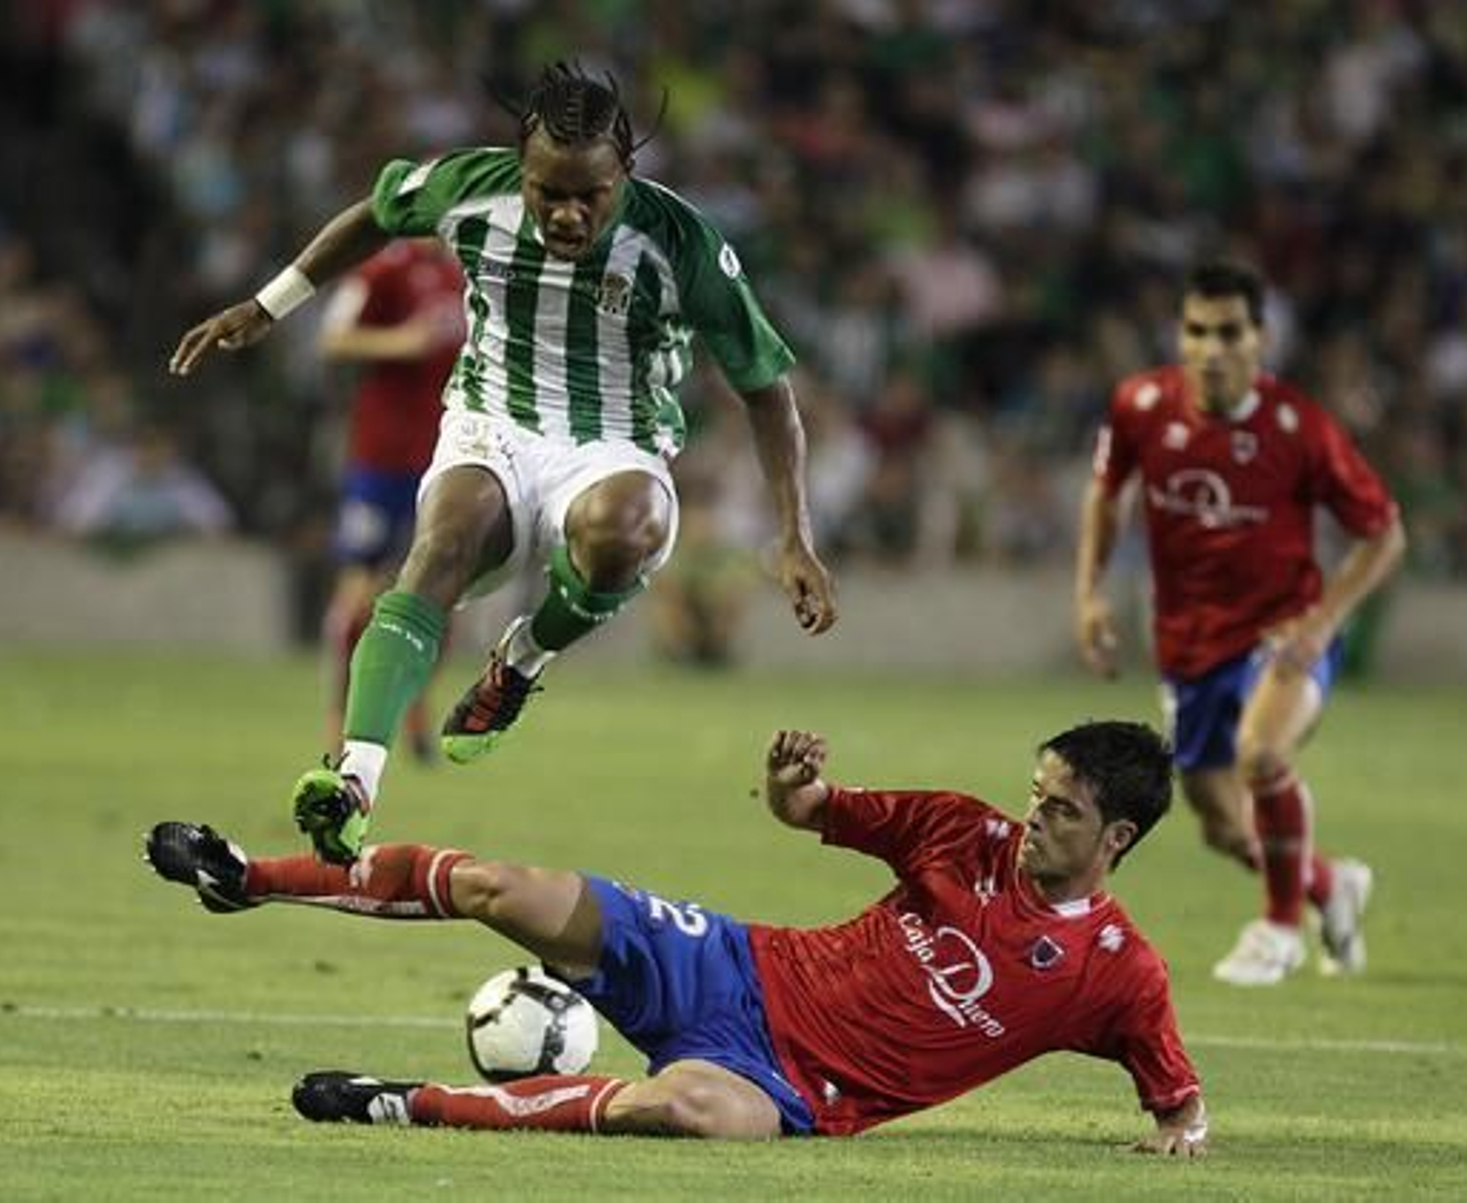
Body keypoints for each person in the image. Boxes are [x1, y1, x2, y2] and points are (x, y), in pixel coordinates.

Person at [168, 63, 837, 866]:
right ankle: (354, 783)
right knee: (442, 542)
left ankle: (519, 662)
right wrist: (268, 304)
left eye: (589, 194)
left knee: (623, 531)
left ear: (624, 170)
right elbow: (373, 215)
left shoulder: (679, 241)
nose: (566, 211)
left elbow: (768, 394)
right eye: (546, 190)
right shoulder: (466, 185)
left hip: (616, 441)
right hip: (494, 419)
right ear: (519, 167)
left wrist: (795, 535)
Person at [144, 720, 1207, 1153]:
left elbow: (1177, 1100)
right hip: (734, 960)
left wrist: (1177, 1135)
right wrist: (795, 788)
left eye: (1059, 812)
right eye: (1035, 796)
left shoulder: (1115, 976)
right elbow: (812, 811)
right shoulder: (957, 828)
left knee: (689, 1110)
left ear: (1116, 835)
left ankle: (399, 1102)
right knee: (502, 885)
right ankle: (250, 877)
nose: (1031, 820)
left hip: (792, 1090)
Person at [1074, 259, 1406, 987]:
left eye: (1229, 331)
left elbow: (1384, 533)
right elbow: (1107, 493)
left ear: (1260, 338)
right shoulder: (1141, 405)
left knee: (1261, 755)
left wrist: (1321, 621)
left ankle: (1279, 928)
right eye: (1197, 330)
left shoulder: (1300, 427)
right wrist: (1091, 593)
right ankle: (1327, 883)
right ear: (1180, 335)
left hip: (1283, 633)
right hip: (1190, 643)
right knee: (1223, 825)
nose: (1211, 347)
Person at [316, 239, 467, 761]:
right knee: (359, 590)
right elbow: (334, 337)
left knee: (443, 593)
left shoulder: (465, 270)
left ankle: (416, 705)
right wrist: (399, 341)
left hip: (447, 457)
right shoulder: (384, 268)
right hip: (381, 457)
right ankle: (339, 719)